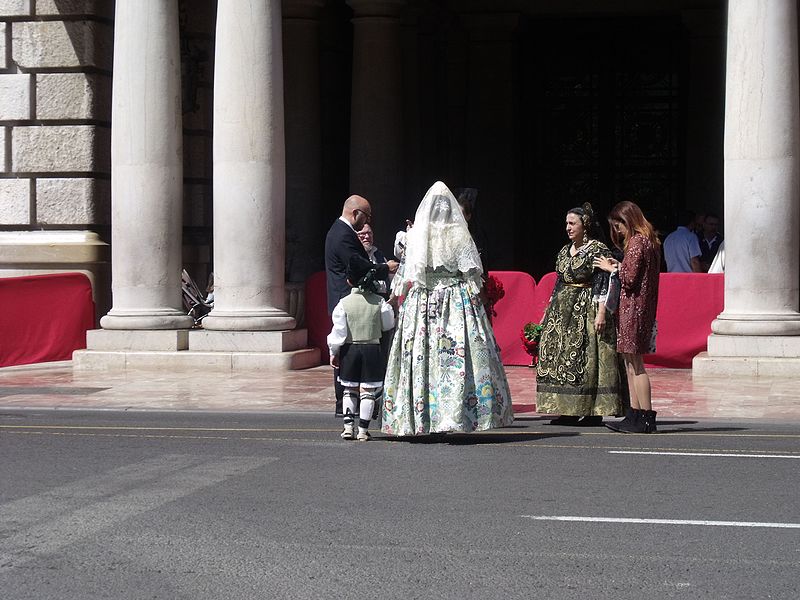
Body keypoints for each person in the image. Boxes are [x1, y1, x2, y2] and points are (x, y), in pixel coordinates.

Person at [381, 181, 514, 436]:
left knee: (423, 357)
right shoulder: (458, 233)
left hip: (422, 304)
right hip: (455, 303)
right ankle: (453, 416)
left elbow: (405, 275)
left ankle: (422, 417)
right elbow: (472, 273)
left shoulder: (416, 235)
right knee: (455, 359)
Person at [535, 203, 622, 426]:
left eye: (572, 223)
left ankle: (592, 411)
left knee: (585, 358)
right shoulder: (565, 250)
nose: (568, 227)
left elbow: (604, 281)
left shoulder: (597, 250)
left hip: (586, 308)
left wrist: (602, 312)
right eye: (566, 223)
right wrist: (548, 310)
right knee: (563, 359)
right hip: (562, 312)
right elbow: (559, 281)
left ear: (585, 226)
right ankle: (568, 410)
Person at [325, 195, 397, 416]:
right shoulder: (342, 234)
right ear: (356, 213)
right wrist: (386, 267)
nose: (367, 222)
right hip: (348, 302)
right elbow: (358, 267)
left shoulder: (340, 232)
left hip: (350, 301)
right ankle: (344, 407)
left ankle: (352, 408)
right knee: (347, 355)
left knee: (353, 354)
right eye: (367, 216)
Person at [594, 200, 661, 433]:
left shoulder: (636, 242)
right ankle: (635, 414)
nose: (617, 231)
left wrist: (610, 268)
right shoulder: (650, 241)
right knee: (631, 363)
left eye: (618, 226)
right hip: (641, 308)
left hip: (633, 309)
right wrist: (621, 264)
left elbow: (630, 279)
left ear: (627, 220)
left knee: (636, 364)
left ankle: (645, 417)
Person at [328, 255, 395, 442]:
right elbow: (387, 325)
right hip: (372, 350)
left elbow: (338, 332)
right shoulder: (379, 302)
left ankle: (348, 427)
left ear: (349, 280)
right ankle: (363, 431)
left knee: (350, 389)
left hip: (350, 350)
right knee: (368, 391)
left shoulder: (343, 304)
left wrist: (334, 352)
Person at [356, 223, 391, 298]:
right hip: (364, 299)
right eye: (362, 234)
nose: (367, 237)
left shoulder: (379, 255)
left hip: (383, 299)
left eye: (369, 233)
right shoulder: (355, 256)